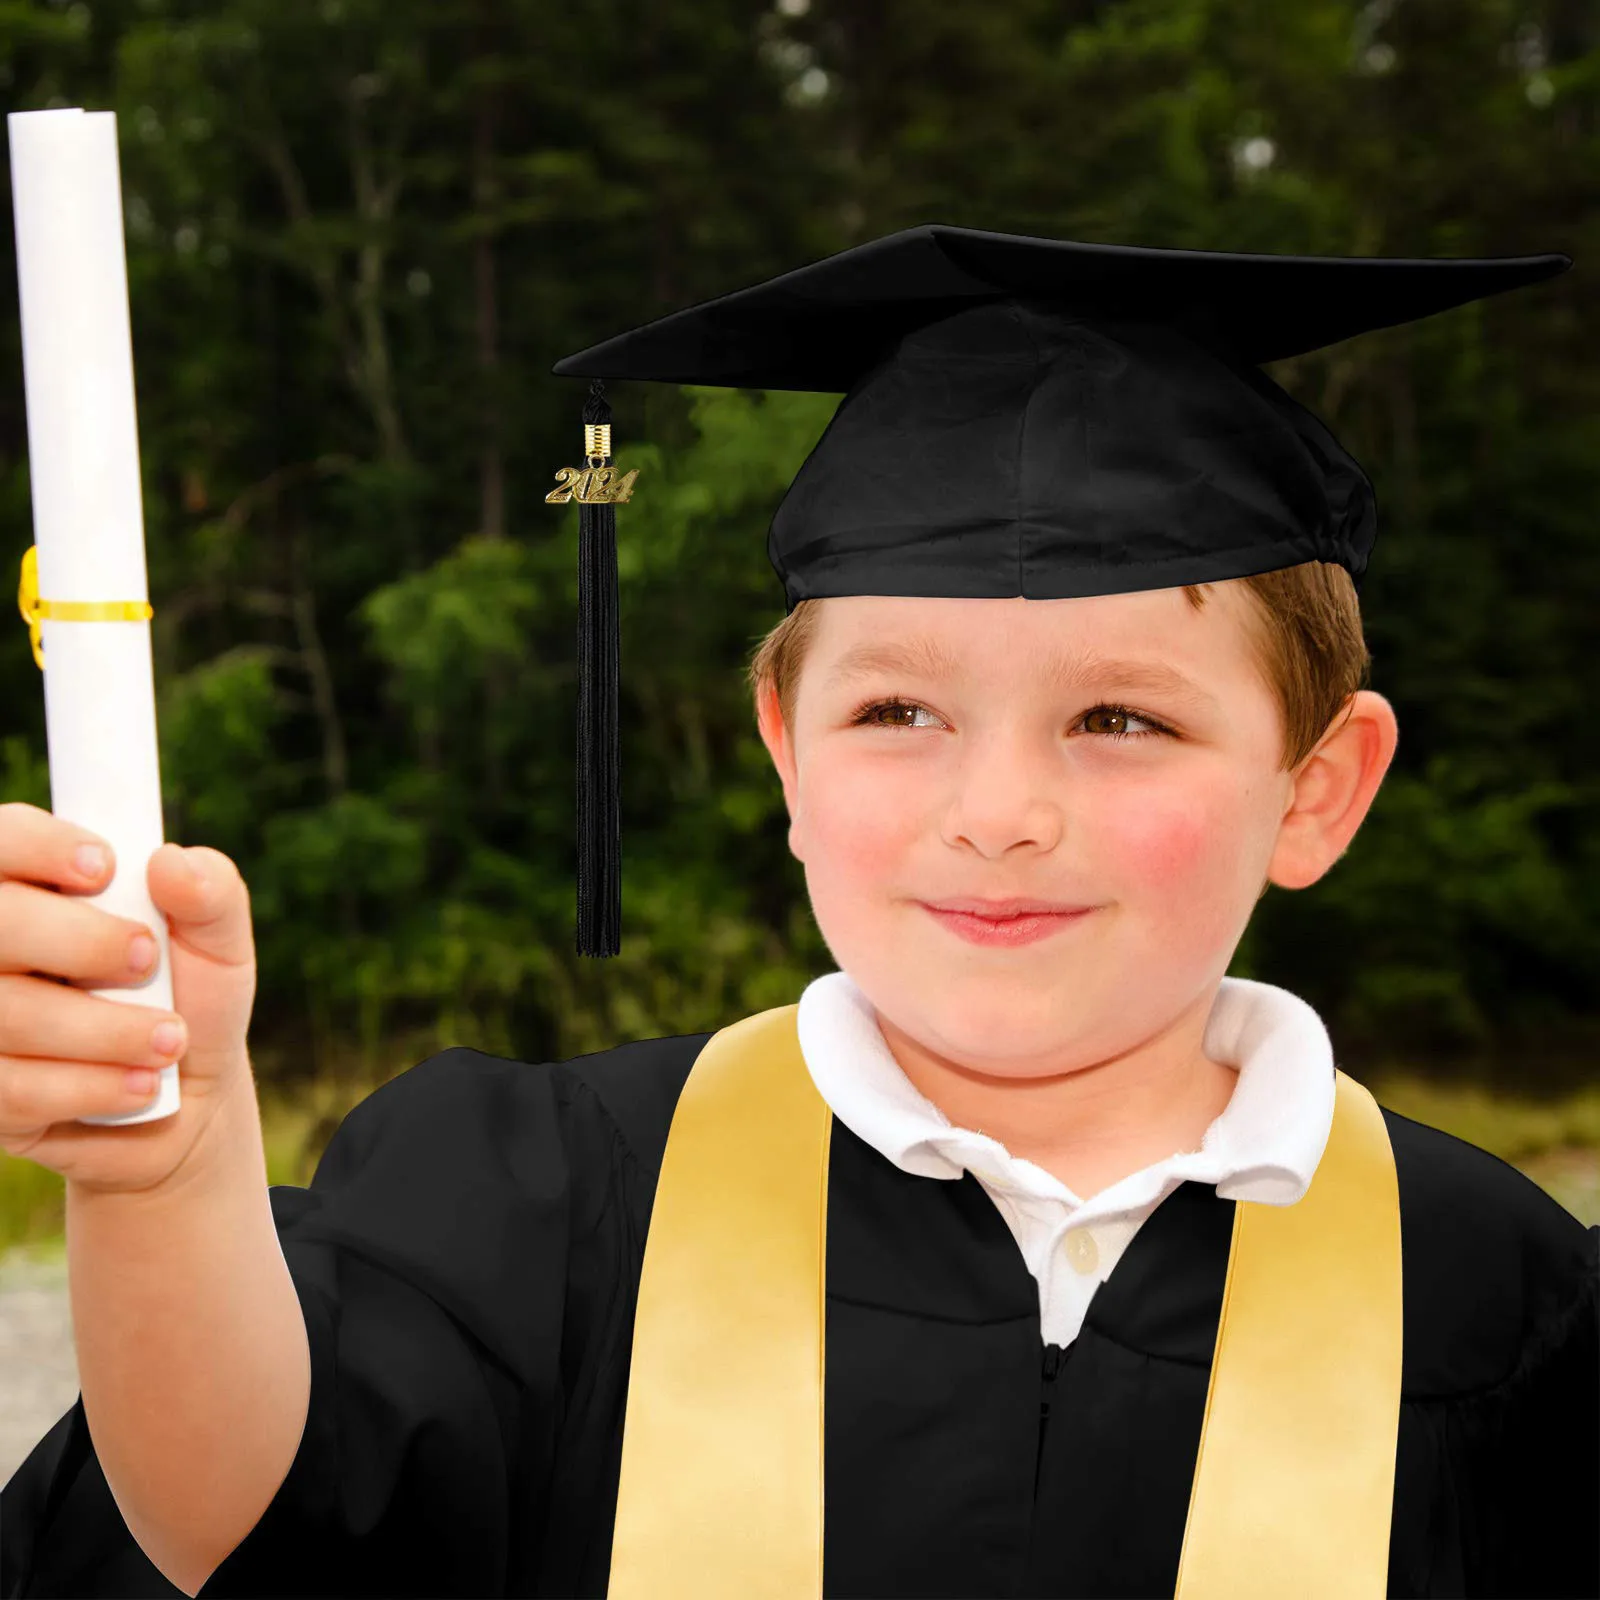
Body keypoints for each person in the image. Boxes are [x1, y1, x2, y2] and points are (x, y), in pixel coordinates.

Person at [2, 226, 1597, 1600]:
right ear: (783, 751)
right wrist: (167, 1164)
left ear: (1319, 787)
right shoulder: (544, 1203)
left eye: (1123, 722)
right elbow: (253, 1527)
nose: (997, 811)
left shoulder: (1502, 1304)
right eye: (897, 711)